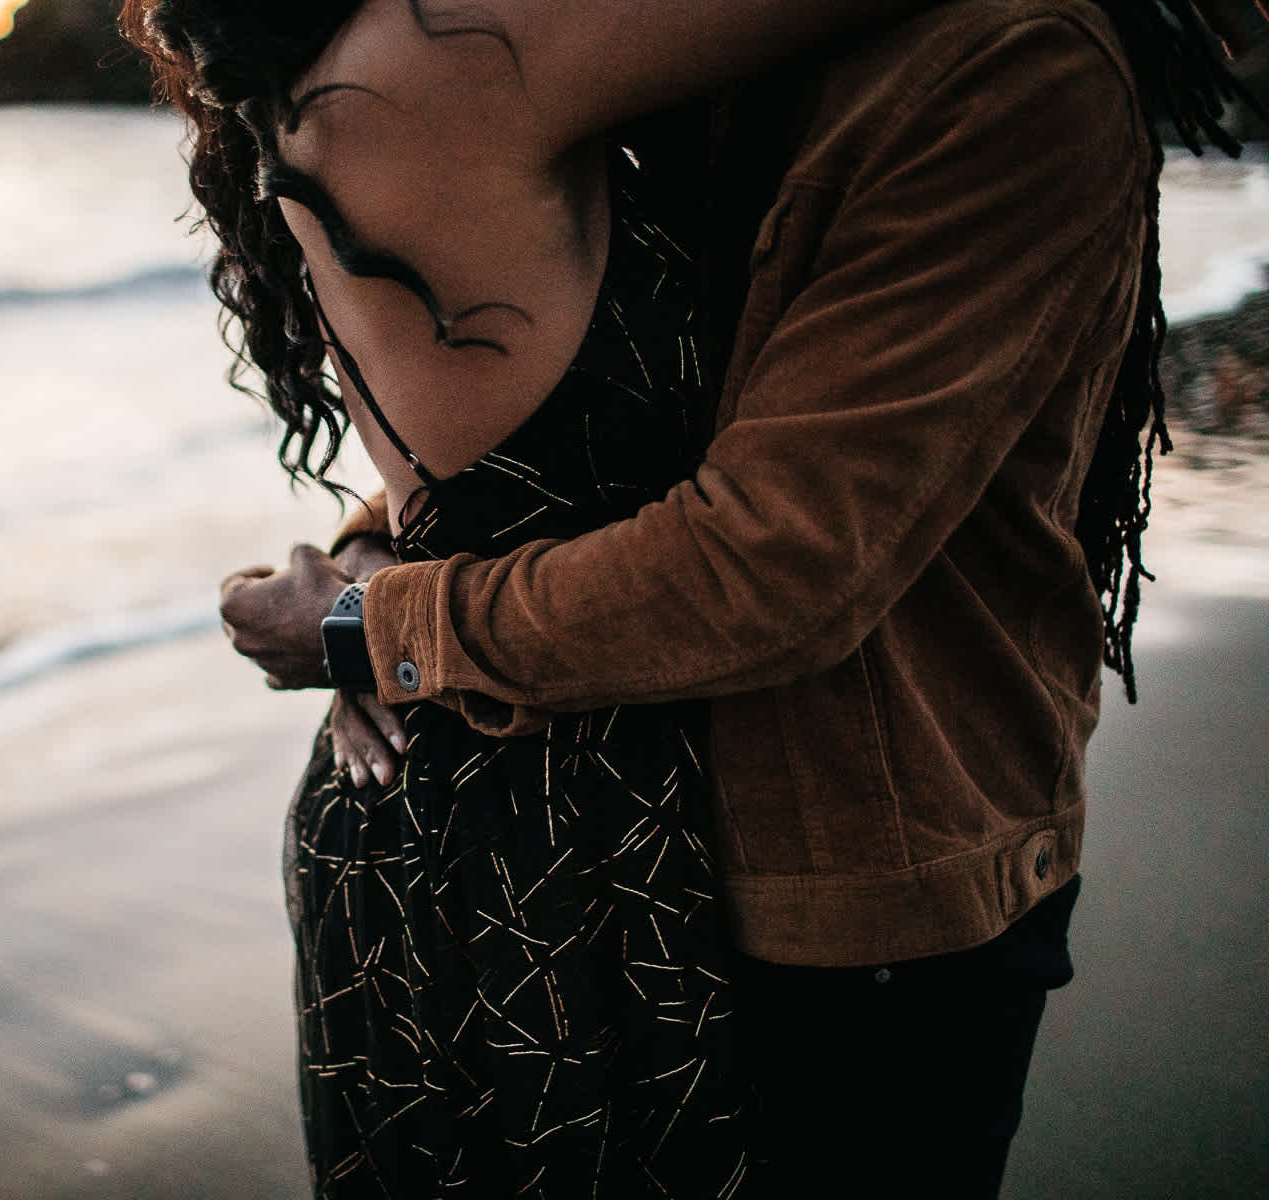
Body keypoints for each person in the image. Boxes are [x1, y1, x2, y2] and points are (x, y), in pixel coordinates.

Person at [210, 0, 1263, 1195]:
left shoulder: (1004, 57)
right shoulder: (574, 52)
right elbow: (550, 425)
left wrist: (382, 622)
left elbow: (771, 559)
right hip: (585, 845)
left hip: (848, 881)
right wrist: (382, 576)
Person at [123, 0, 939, 1194]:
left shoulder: (323, 95)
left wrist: (367, 586)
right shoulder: (438, 60)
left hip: (444, 798)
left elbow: (464, 486)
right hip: (545, 826)